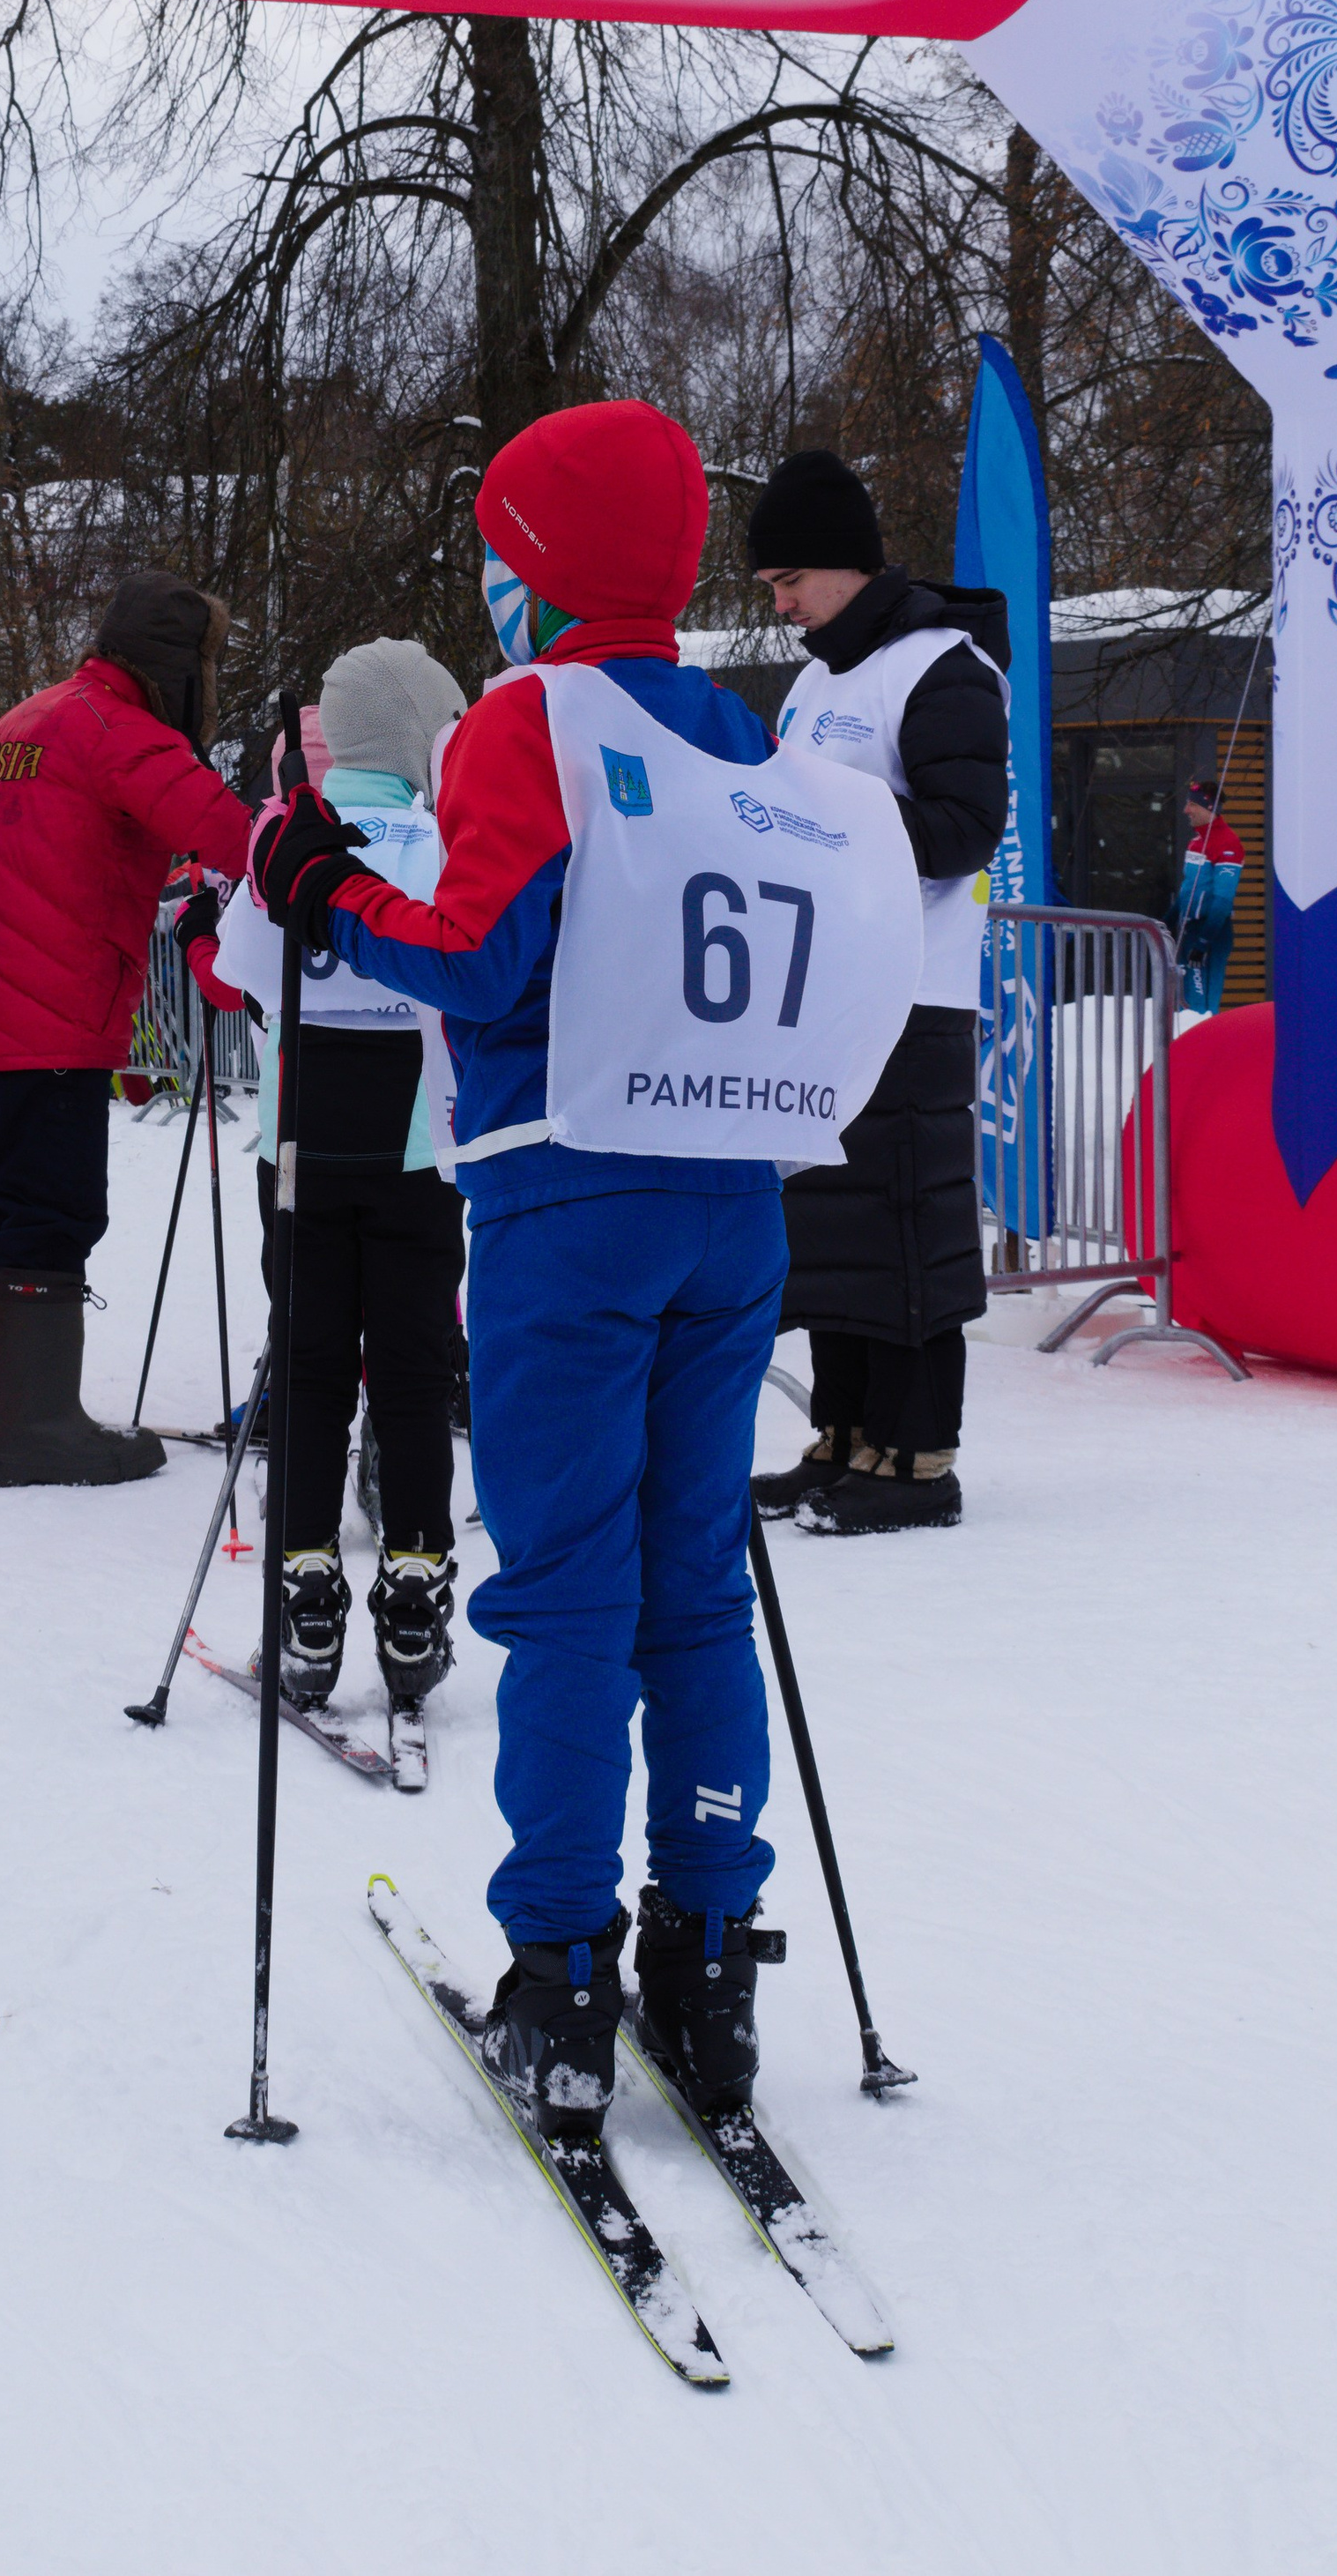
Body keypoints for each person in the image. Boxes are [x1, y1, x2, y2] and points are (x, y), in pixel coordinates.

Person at [248, 402, 920, 2143]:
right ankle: (706, 1960)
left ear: (529, 563)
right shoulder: (734, 721)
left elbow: (469, 960)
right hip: (727, 1199)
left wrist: (316, 883)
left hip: (564, 1191)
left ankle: (556, 1972)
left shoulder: (530, 715)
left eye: (499, 545)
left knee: (560, 1595)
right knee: (691, 1580)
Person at [0, 570, 256, 1488]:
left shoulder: (16, 723)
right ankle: (31, 1429)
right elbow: (229, 833)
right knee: (51, 1206)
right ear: (180, 667)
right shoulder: (122, 733)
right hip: (50, 1011)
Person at [186, 637, 469, 1716]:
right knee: (413, 1370)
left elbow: (247, 979)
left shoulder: (281, 835)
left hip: (299, 1150)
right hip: (416, 1150)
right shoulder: (446, 837)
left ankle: (304, 1580)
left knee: (308, 1371)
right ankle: (413, 1578)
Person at [743, 450, 1010, 1538]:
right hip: (827, 991)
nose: (781, 603)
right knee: (831, 1223)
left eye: (789, 579)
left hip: (916, 994)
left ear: (849, 566)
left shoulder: (943, 666)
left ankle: (917, 1457)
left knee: (903, 1222)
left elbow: (959, 832)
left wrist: (820, 826)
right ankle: (845, 1436)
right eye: (768, 589)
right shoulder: (814, 684)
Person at [1170, 776, 1244, 1016]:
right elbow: (1188, 889)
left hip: (1209, 933)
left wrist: (1204, 941)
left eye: (1192, 804)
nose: (1185, 810)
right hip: (1188, 929)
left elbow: (1223, 899)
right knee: (1184, 1003)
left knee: (1200, 1009)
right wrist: (1166, 921)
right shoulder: (1195, 842)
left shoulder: (1227, 842)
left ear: (1208, 807)